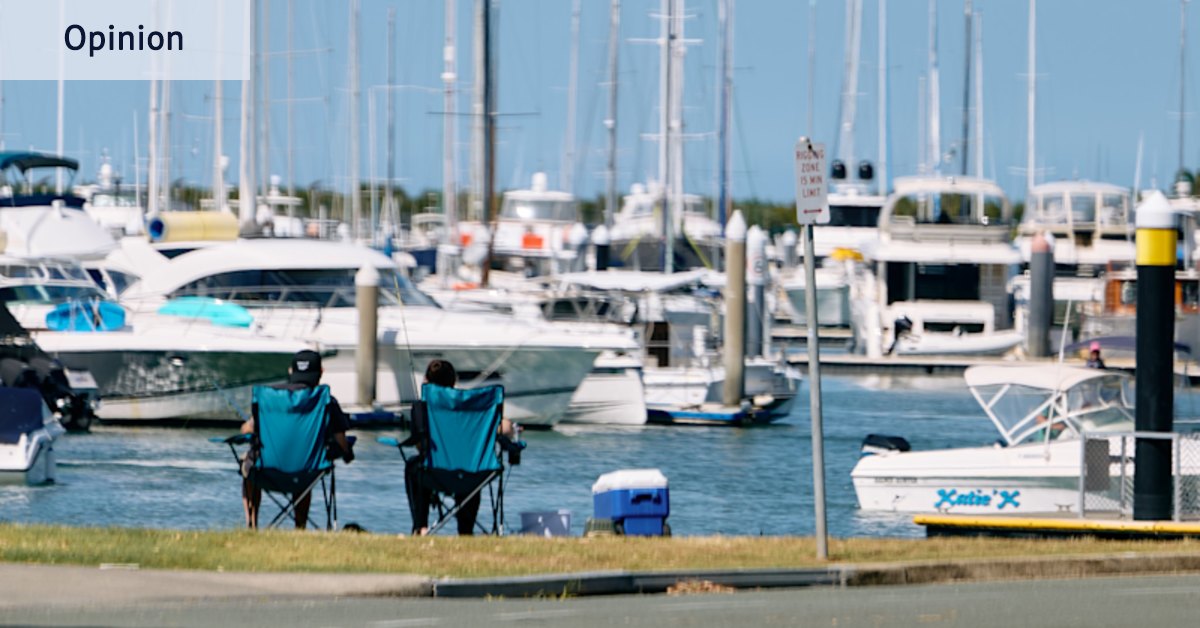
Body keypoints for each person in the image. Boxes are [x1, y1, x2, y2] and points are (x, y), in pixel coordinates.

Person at [241, 349, 354, 529]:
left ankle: (252, 524)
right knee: (307, 461)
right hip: (307, 474)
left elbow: (248, 429)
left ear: (290, 371)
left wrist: (247, 427)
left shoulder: (270, 397)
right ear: (321, 372)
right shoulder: (325, 401)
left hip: (266, 471)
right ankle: (299, 527)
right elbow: (341, 440)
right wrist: (347, 452)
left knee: (248, 464)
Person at [405, 359, 513, 535]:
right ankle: (466, 531)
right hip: (476, 474)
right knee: (471, 469)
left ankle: (421, 526)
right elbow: (505, 428)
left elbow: (419, 445)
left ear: (426, 381)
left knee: (415, 466)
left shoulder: (421, 406)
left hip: (437, 472)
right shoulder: (474, 405)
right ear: (454, 380)